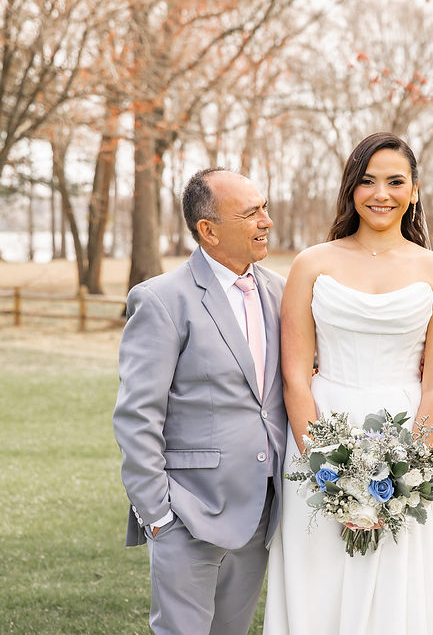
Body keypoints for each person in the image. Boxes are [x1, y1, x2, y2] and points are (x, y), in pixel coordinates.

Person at [263, 132, 433, 635]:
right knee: (323, 577)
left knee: (401, 583)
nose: (382, 193)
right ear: (351, 189)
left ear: (414, 190)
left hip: (411, 434)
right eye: (368, 180)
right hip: (321, 428)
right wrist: (325, 468)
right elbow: (295, 375)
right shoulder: (312, 263)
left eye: (396, 181)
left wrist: (406, 472)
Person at [112, 169, 287, 635]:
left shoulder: (282, 293)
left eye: (264, 208)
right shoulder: (162, 300)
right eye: (251, 213)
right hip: (187, 514)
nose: (266, 221)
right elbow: (137, 416)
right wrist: (158, 517)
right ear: (208, 230)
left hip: (261, 512)